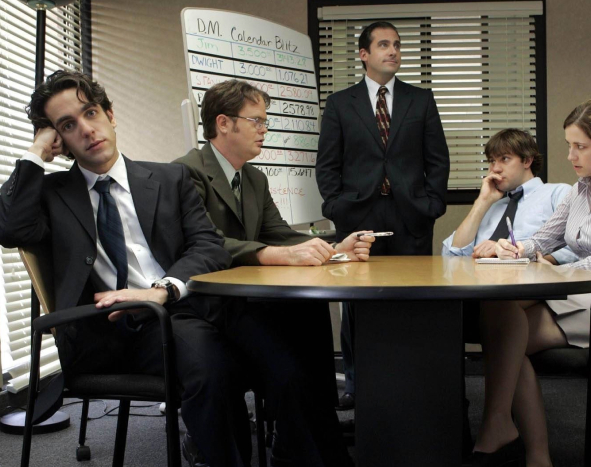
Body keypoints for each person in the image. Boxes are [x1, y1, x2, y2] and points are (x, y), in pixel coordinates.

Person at [0, 71, 250, 467]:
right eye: (68, 125)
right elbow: (10, 228)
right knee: (208, 361)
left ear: (110, 115)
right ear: (59, 140)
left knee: (276, 338)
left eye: (90, 113)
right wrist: (36, 151)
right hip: (114, 329)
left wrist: (162, 290)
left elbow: (209, 246)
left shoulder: (170, 178)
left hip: (178, 305)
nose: (86, 129)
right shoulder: (52, 195)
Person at [174, 79, 371, 467]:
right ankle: (301, 442)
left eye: (265, 121)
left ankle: (308, 440)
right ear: (223, 123)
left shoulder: (254, 178)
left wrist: (336, 249)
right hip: (207, 305)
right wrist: (272, 255)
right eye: (257, 121)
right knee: (289, 366)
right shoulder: (185, 172)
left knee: (309, 312)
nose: (264, 129)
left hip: (246, 299)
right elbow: (203, 243)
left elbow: (280, 233)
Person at [469, 97, 591, 467]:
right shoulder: (581, 188)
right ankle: (518, 440)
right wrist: (513, 249)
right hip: (587, 294)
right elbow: (542, 240)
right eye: (569, 145)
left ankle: (512, 436)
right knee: (500, 314)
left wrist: (542, 271)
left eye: (581, 146)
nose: (571, 155)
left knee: (506, 335)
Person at [315, 20, 450, 408]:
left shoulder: (420, 100)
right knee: (357, 305)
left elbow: (437, 160)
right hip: (358, 217)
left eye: (397, 45)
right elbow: (327, 164)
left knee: (412, 303)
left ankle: (412, 385)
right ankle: (357, 386)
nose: (393, 51)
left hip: (411, 215)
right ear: (364, 54)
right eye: (384, 45)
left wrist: (432, 205)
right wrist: (336, 207)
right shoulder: (341, 103)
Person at [442, 128, 577, 265]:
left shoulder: (557, 193)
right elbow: (451, 254)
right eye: (492, 161)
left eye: (505, 159)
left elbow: (577, 248)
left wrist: (518, 256)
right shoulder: (491, 206)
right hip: (478, 277)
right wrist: (482, 202)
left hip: (529, 276)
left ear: (527, 160)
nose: (495, 169)